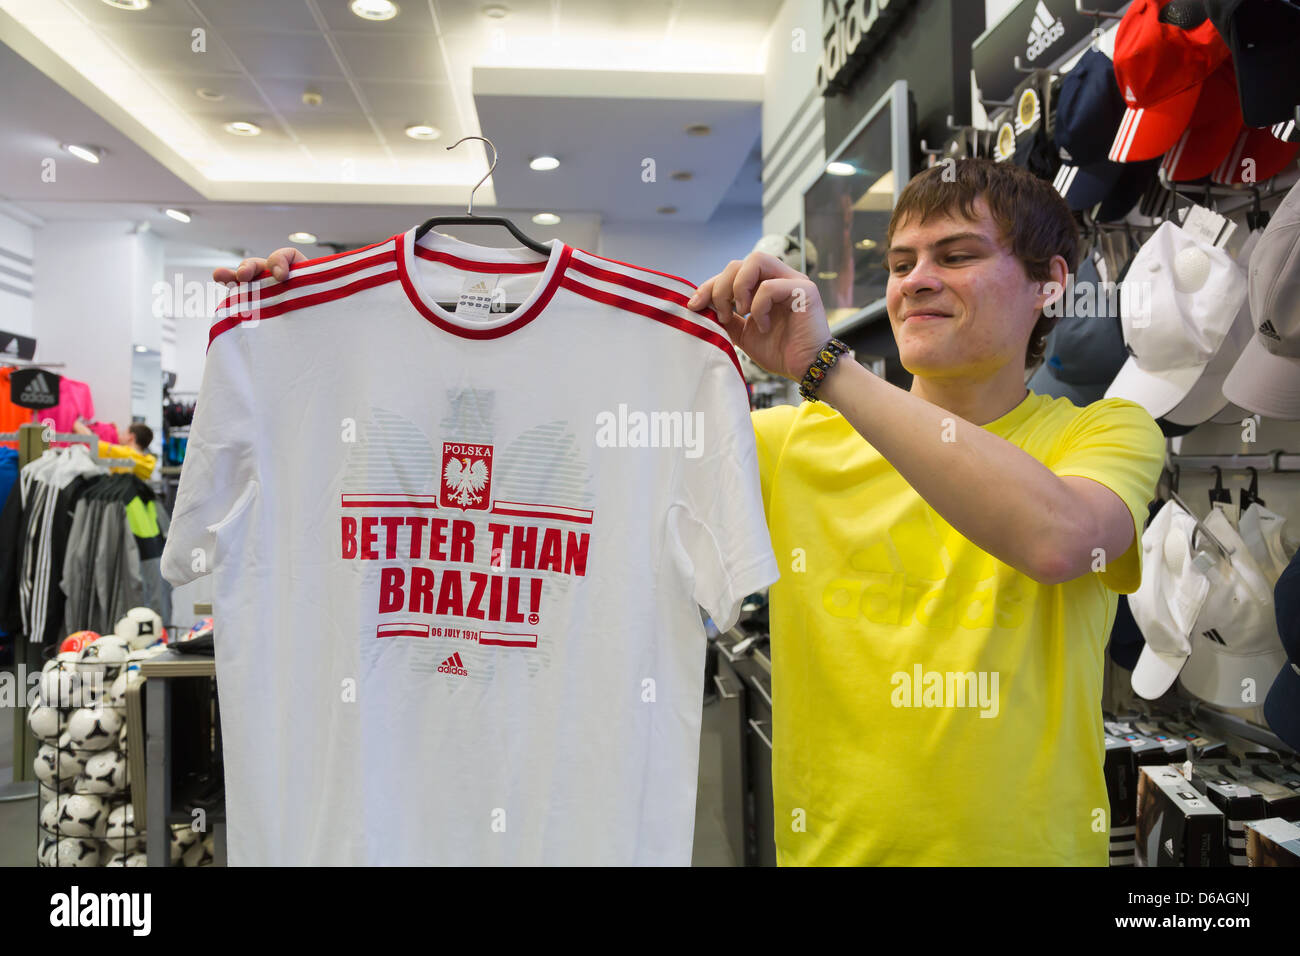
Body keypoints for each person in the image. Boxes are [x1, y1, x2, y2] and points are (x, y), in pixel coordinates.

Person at [213, 158, 1166, 865]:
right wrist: (318, 332)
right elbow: (526, 453)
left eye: (957, 256)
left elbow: (1058, 542)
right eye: (902, 258)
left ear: (1052, 282)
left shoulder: (1108, 435)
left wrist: (823, 371)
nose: (916, 279)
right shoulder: (783, 449)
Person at [75, 419, 157, 481]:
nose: (119, 436)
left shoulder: (124, 454)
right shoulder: (147, 461)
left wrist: (74, 422)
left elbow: (93, 441)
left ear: (131, 437)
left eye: (124, 433)